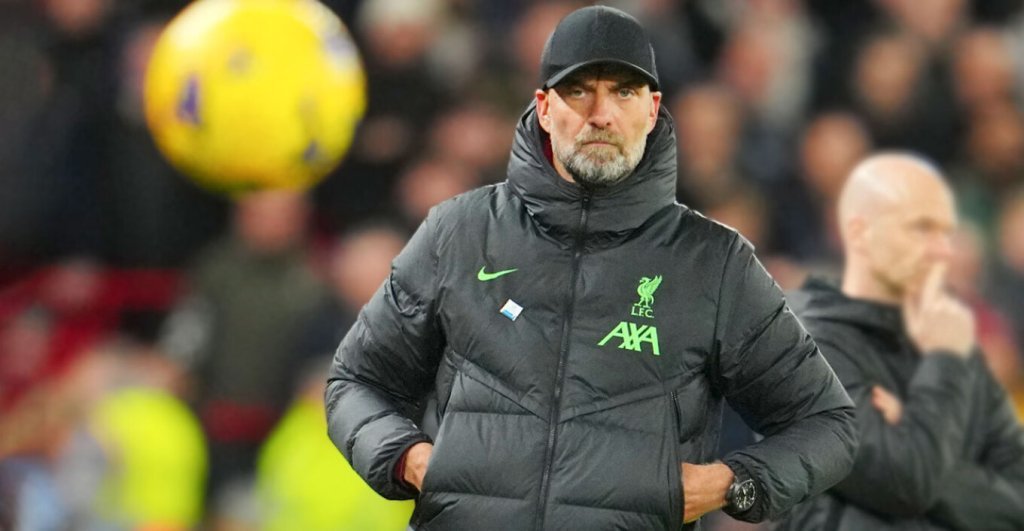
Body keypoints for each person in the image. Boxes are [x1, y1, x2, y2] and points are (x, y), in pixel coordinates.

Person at [326, 6, 857, 530]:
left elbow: (826, 424)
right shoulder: (459, 233)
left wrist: (728, 484)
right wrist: (409, 459)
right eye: (579, 91)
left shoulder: (713, 263)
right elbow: (354, 381)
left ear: (652, 110)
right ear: (543, 107)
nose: (601, 114)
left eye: (623, 92)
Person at [779, 153, 1024, 530]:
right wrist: (942, 367)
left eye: (945, 232)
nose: (943, 250)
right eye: (920, 229)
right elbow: (907, 484)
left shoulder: (950, 338)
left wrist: (915, 425)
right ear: (860, 233)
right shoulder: (806, 345)